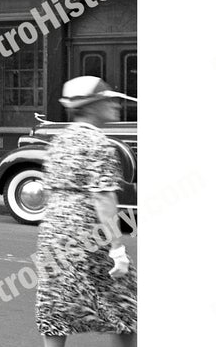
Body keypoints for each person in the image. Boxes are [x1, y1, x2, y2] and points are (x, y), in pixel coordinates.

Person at [35, 75, 137, 346]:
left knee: (56, 303)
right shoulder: (100, 144)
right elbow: (103, 197)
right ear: (92, 107)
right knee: (124, 305)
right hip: (88, 233)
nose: (115, 105)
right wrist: (117, 248)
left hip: (53, 231)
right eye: (109, 101)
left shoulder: (60, 141)